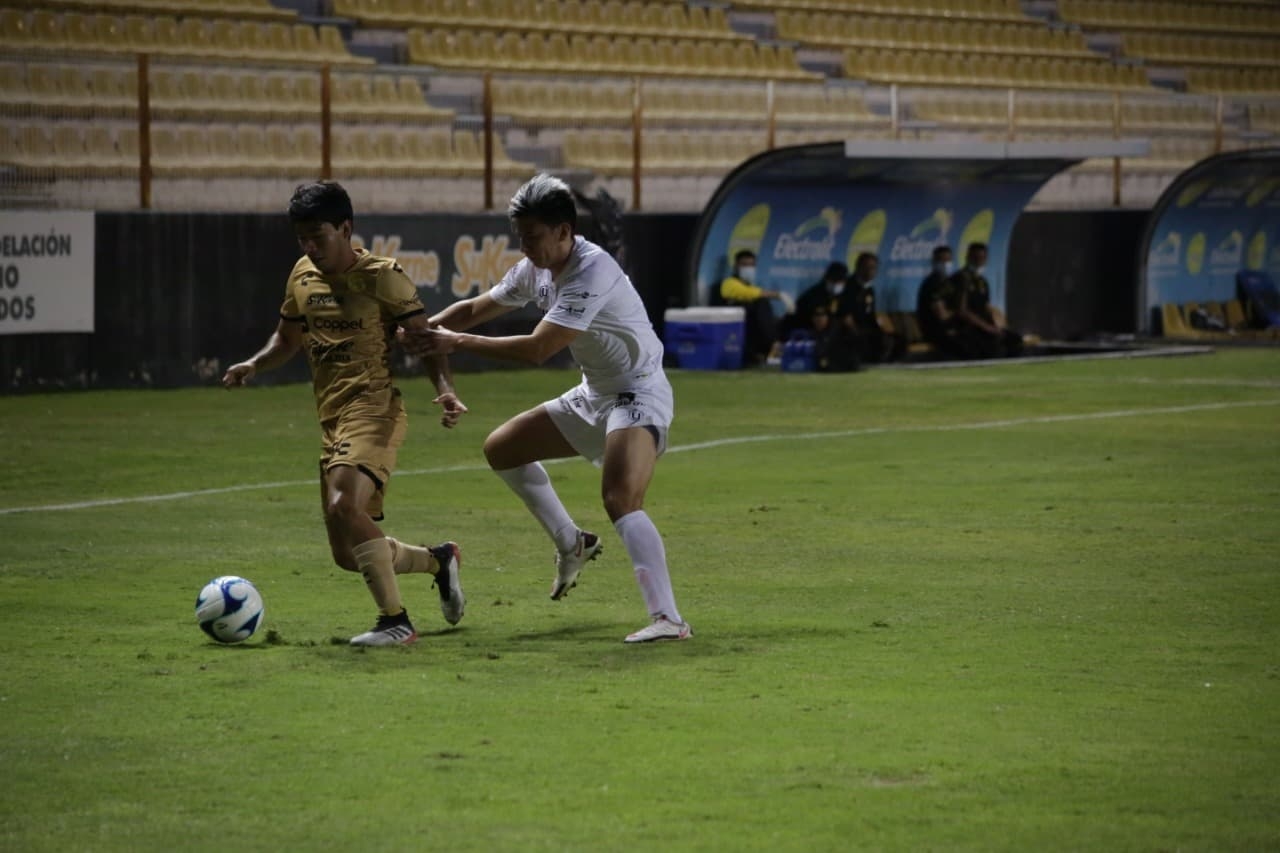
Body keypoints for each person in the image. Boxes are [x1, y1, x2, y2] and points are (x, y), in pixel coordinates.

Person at [401, 173, 691, 644]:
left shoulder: (591, 271)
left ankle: (670, 620)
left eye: (532, 236)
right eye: (520, 237)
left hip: (638, 391)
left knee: (619, 498)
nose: (525, 246)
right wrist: (421, 330)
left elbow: (539, 349)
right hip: (595, 391)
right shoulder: (534, 268)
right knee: (503, 448)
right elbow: (475, 308)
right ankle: (571, 542)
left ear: (564, 231)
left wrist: (453, 342)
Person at [221, 180, 468, 647]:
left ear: (346, 228)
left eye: (319, 236)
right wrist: (256, 363)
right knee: (348, 553)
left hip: (375, 409)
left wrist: (446, 389)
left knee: (343, 505)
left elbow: (423, 337)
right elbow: (287, 339)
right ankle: (440, 560)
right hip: (332, 419)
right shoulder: (302, 275)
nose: (311, 248)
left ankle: (396, 622)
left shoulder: (383, 276)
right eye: (303, 239)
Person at [949, 242, 1024, 358]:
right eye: (975, 258)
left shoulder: (982, 282)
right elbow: (962, 311)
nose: (979, 262)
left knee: (1014, 339)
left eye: (982, 258)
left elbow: (987, 307)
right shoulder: (960, 279)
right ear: (968, 257)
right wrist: (987, 328)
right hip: (968, 328)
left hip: (984, 327)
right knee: (991, 343)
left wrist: (997, 326)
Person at [916, 244, 986, 360]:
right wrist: (958, 312)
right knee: (967, 346)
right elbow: (942, 315)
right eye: (941, 260)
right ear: (934, 261)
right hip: (935, 331)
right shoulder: (932, 284)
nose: (945, 264)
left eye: (948, 260)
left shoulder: (949, 282)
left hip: (949, 328)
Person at [717, 249, 786, 365]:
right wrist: (776, 295)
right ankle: (773, 345)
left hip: (751, 327)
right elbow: (747, 293)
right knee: (761, 303)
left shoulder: (751, 286)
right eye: (745, 265)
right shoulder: (729, 283)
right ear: (736, 266)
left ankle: (770, 349)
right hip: (732, 327)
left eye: (751, 265)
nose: (748, 269)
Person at [845, 252, 903, 364]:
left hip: (868, 328)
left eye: (874, 268)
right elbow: (845, 315)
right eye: (868, 267)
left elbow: (871, 315)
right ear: (858, 267)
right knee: (868, 339)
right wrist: (856, 331)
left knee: (896, 338)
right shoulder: (848, 287)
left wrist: (881, 330)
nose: (871, 271)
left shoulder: (869, 290)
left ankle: (888, 363)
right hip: (853, 329)